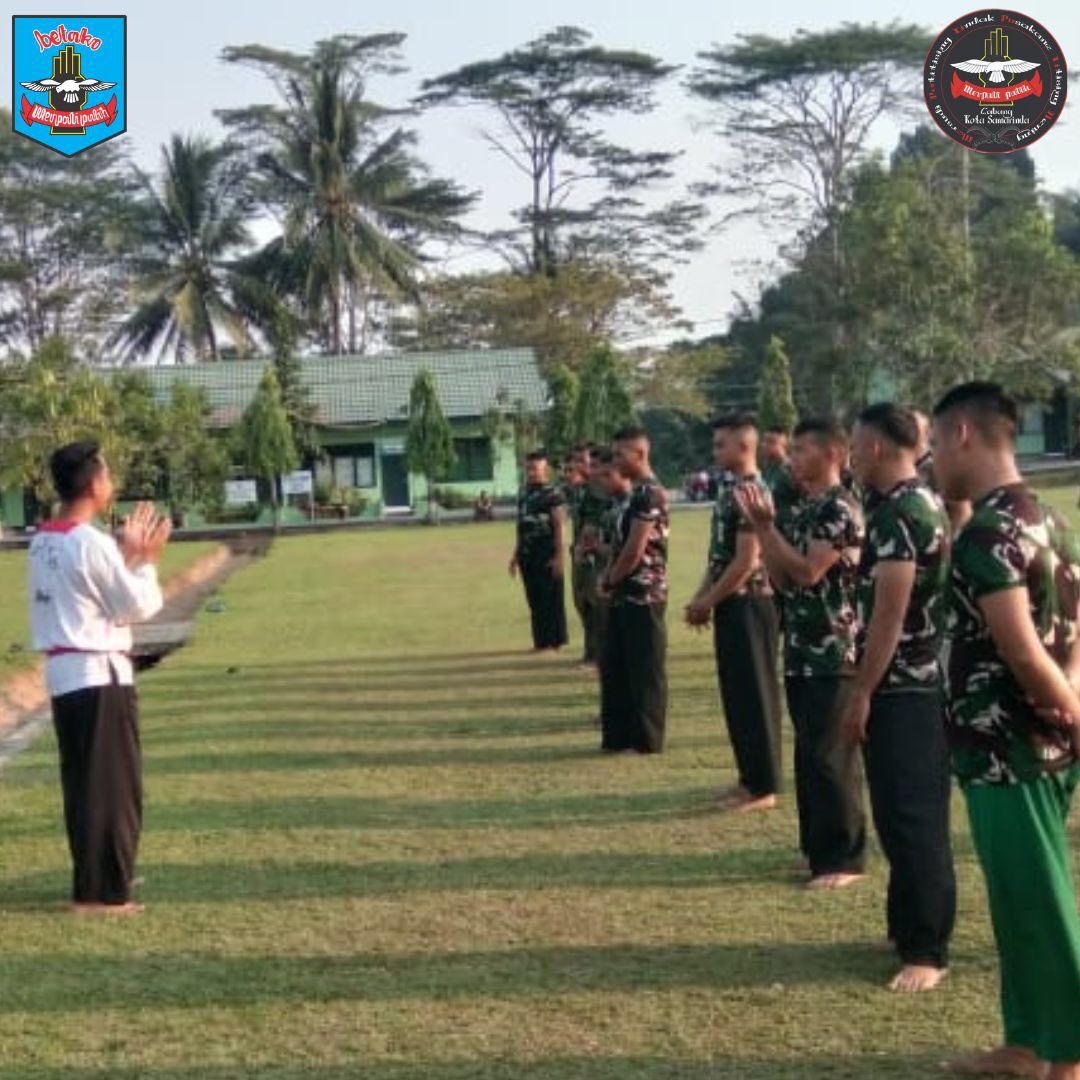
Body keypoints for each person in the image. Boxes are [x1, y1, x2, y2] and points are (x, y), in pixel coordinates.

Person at [932, 382, 1080, 1080]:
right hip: (1037, 744)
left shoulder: (988, 533)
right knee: (1020, 901)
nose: (932, 457)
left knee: (1041, 905)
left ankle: (1069, 1057)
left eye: (934, 442)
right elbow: (1073, 634)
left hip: (1008, 750)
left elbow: (1022, 651)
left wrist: (1075, 716)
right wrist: (1072, 701)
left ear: (963, 434)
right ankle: (1026, 1042)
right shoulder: (1050, 518)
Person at [28, 441, 171, 914]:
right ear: (93, 484)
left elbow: (93, 596)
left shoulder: (47, 538)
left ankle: (102, 875)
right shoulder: (88, 542)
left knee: (87, 784)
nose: (112, 482)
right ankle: (104, 893)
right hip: (98, 673)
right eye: (107, 474)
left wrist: (125, 558)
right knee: (111, 788)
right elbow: (135, 606)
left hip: (69, 675)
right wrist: (146, 560)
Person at [842, 403, 956, 994]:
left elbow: (889, 616)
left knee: (913, 818)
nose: (851, 456)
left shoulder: (898, 515)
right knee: (899, 811)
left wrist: (862, 692)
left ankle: (927, 946)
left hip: (905, 687)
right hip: (913, 683)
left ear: (882, 448)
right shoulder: (918, 503)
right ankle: (906, 926)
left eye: (857, 445)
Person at [736, 418, 866, 889]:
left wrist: (766, 530)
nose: (793, 459)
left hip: (835, 651)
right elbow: (781, 576)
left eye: (804, 451)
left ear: (833, 453)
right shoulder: (805, 509)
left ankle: (844, 859)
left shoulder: (839, 509)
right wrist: (767, 532)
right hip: (802, 649)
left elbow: (810, 572)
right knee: (810, 755)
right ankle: (818, 851)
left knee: (832, 757)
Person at [686, 414, 782, 812]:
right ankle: (749, 778)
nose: (715, 451)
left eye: (721, 444)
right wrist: (700, 596)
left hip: (751, 604)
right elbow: (720, 557)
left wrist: (708, 601)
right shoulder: (731, 490)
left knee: (756, 695)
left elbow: (746, 562)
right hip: (731, 603)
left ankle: (764, 787)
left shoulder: (753, 493)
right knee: (738, 696)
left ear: (744, 447)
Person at [598, 426, 670, 754]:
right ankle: (621, 735)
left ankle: (645, 739)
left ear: (639, 455)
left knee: (645, 671)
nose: (614, 461)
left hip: (644, 593)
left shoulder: (650, 494)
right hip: (623, 592)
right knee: (619, 667)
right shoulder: (633, 496)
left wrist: (610, 579)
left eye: (619, 455)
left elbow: (635, 548)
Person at [510, 450, 568, 653]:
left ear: (546, 469)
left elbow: (560, 526)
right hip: (528, 554)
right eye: (528, 468)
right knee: (534, 599)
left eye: (535, 468)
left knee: (550, 598)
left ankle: (554, 642)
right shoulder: (524, 493)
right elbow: (521, 525)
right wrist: (516, 555)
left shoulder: (554, 494)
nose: (531, 472)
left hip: (547, 552)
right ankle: (541, 642)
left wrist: (559, 557)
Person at [569, 444, 613, 668]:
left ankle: (599, 656)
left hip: (594, 555)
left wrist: (583, 548)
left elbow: (591, 526)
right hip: (581, 554)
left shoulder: (598, 491)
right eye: (574, 461)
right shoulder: (581, 489)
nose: (577, 466)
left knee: (597, 605)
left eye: (582, 461)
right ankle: (590, 652)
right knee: (583, 603)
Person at [914, 407, 972, 533]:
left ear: (927, 433)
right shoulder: (905, 467)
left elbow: (961, 512)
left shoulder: (938, 466)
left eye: (915, 429)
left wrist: (952, 546)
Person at [760, 426, 802, 538]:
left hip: (789, 534)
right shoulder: (768, 470)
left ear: (783, 446)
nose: (764, 445)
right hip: (772, 532)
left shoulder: (792, 469)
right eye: (764, 441)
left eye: (771, 442)